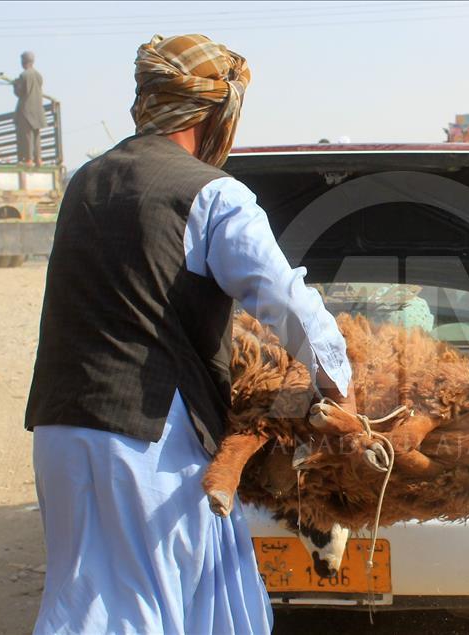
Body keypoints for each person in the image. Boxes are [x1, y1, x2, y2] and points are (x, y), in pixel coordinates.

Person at [24, 34, 355, 634]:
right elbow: (284, 298)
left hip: (61, 432)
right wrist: (338, 383)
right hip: (149, 444)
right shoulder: (212, 194)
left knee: (87, 597)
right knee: (142, 610)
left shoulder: (85, 182)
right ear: (214, 112)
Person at [13, 51, 47, 167]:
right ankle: (38, 159)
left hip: (26, 110)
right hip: (38, 110)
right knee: (36, 136)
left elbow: (20, 92)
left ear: (24, 61)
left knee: (27, 136)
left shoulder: (24, 75)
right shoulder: (38, 75)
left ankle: (28, 159)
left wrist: (15, 85)